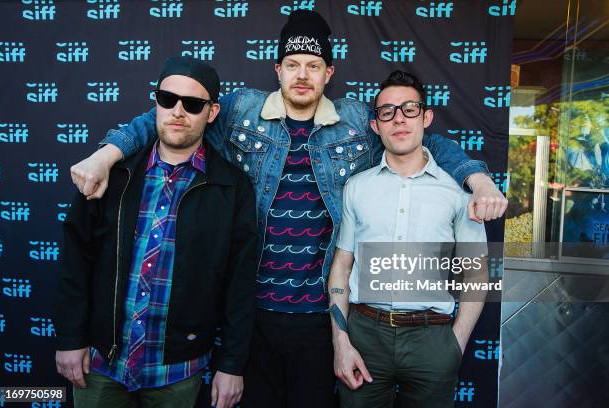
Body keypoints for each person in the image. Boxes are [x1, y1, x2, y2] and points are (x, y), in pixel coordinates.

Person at [67, 11, 506, 408]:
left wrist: (478, 178)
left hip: (319, 317)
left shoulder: (357, 121)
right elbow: (168, 117)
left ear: (328, 73)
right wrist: (106, 154)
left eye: (313, 66)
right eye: (292, 64)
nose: (302, 75)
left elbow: (418, 138)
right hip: (251, 312)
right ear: (277, 69)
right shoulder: (241, 111)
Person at [54, 57, 258, 408]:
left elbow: (239, 284)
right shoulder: (112, 173)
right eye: (168, 99)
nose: (178, 111)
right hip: (101, 363)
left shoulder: (232, 187)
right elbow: (76, 261)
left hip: (177, 371)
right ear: (155, 103)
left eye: (193, 104)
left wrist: (232, 364)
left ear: (211, 113)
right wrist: (70, 337)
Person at [328, 71, 488, 408]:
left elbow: (476, 274)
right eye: (387, 112)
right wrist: (341, 341)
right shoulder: (357, 187)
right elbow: (342, 266)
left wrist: (455, 344)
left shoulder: (458, 193)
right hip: (365, 335)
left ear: (426, 117)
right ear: (376, 125)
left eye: (409, 109)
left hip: (433, 339)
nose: (398, 119)